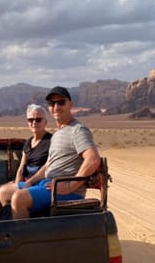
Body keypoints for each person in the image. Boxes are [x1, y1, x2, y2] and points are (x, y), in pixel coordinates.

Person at [10, 86, 101, 219]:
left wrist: (70, 186)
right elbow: (48, 164)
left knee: (19, 198)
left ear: (70, 105)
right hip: (47, 184)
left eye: (61, 102)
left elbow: (93, 159)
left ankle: (22, 232)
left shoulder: (77, 130)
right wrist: (30, 181)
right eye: (52, 103)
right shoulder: (58, 134)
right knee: (2, 191)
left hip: (67, 192)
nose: (56, 107)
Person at [0, 104, 51, 215]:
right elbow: (21, 167)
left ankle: (12, 222)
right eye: (30, 120)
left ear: (45, 122)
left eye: (38, 120)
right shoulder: (27, 143)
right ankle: (5, 219)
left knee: (3, 191)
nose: (34, 123)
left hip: (41, 182)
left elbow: (47, 166)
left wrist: (28, 182)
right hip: (27, 181)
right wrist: (17, 183)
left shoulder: (51, 141)